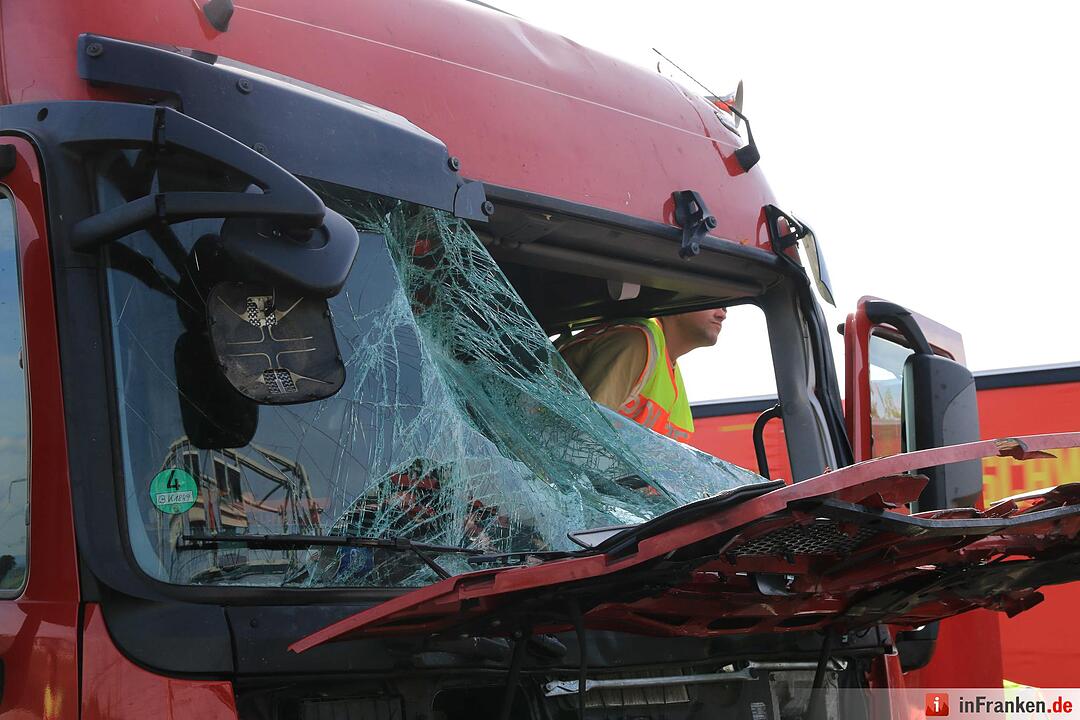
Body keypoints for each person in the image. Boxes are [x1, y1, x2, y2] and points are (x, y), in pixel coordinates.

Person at [558, 308, 727, 443]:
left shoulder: (670, 373)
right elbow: (581, 434)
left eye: (725, 307)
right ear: (679, 298)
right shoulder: (635, 341)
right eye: (714, 303)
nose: (722, 315)